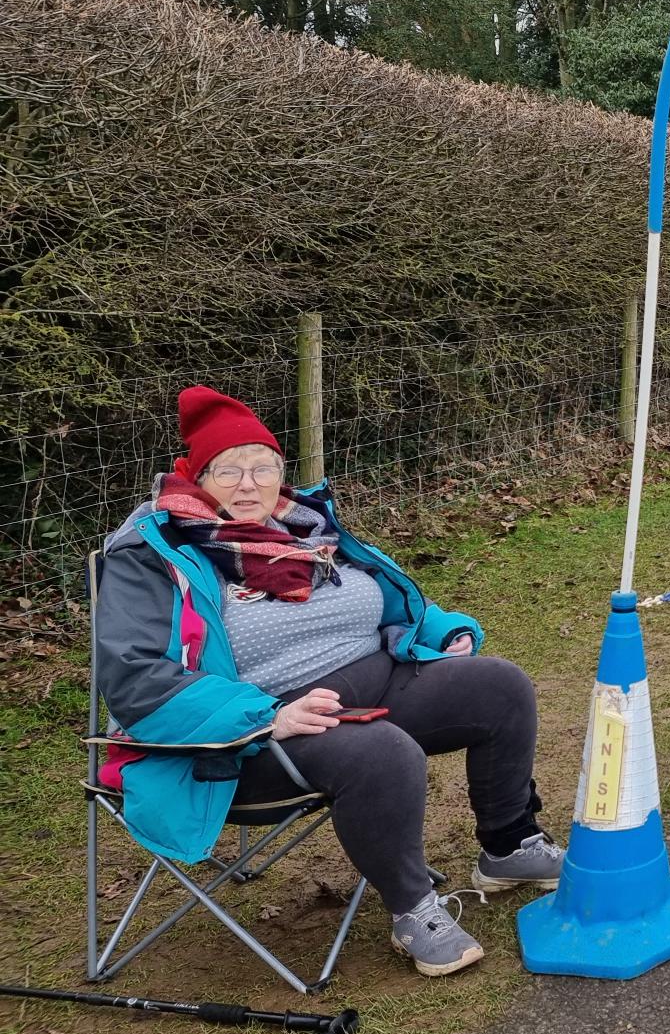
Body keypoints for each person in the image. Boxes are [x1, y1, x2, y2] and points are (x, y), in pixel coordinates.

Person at [95, 387, 564, 977]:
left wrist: (442, 630)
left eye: (262, 468)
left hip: (374, 679)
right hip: (247, 736)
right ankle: (414, 910)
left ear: (281, 474)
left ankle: (509, 845)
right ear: (198, 477)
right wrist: (267, 716)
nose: (248, 484)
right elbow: (136, 678)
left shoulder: (305, 525)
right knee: (380, 752)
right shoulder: (155, 552)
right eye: (228, 470)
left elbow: (379, 598)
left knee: (499, 686)